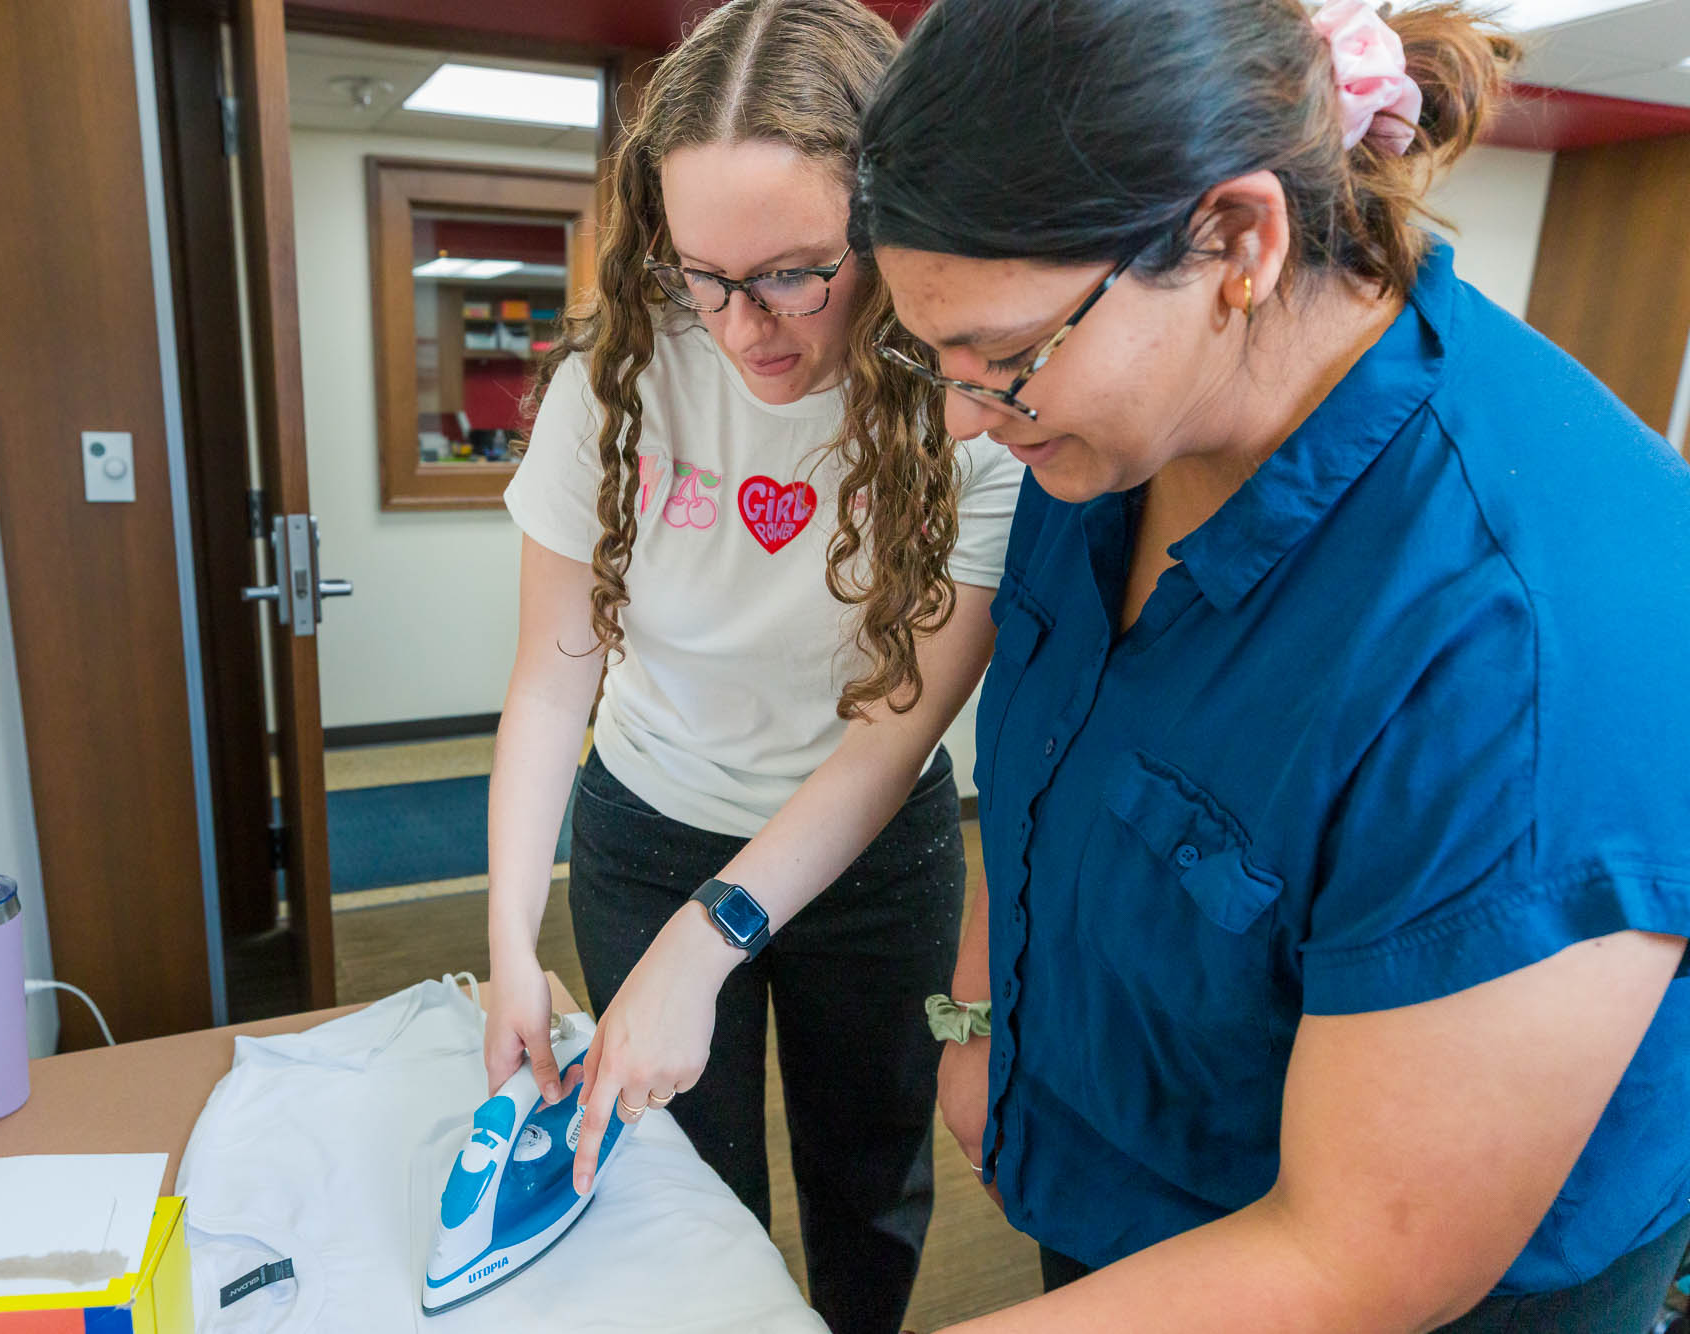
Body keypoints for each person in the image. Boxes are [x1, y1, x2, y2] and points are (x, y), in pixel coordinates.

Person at [842, 0, 1690, 1329]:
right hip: (1133, 1188)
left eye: (1000, 354)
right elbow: (1043, 758)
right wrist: (976, 1018)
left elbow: (1356, 1258)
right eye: (930, 352)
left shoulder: (1522, 630)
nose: (961, 413)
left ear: (1238, 239)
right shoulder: (1104, 426)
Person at [481, 2, 1023, 1330]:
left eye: (795, 272)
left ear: (888, 223)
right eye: (704, 276)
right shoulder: (613, 377)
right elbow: (553, 682)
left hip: (870, 855)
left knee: (867, 1180)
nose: (747, 328)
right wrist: (505, 944)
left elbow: (891, 735)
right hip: (646, 828)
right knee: (679, 1183)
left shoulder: (975, 394)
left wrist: (718, 930)